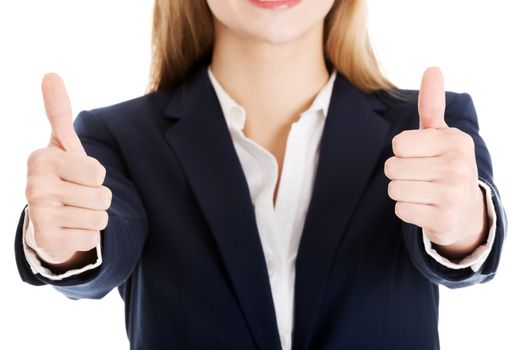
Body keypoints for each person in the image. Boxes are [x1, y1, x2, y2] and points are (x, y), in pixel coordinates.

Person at [14, 0, 507, 349]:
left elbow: (465, 248)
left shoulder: (427, 128)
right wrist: (65, 241)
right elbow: (103, 240)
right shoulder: (115, 137)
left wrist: (463, 222)